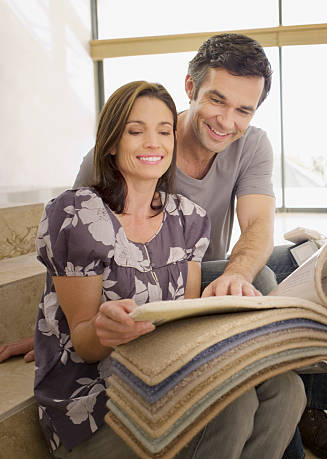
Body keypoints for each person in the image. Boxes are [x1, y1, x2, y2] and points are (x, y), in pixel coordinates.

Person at [0, 33, 327, 458]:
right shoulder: (87, 194)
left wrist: (235, 276)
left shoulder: (195, 208)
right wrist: (62, 322)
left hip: (199, 271)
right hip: (122, 305)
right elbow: (74, 252)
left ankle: (308, 410)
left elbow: (258, 225)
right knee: (254, 311)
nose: (227, 120)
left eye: (243, 109)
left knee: (313, 281)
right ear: (191, 88)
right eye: (217, 101)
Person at [33, 80, 305, 458]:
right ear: (111, 143)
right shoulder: (76, 214)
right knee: (232, 409)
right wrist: (105, 328)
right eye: (135, 131)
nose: (153, 143)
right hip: (96, 399)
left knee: (287, 389)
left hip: (163, 371)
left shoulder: (188, 218)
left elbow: (183, 324)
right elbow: (84, 344)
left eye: (164, 131)